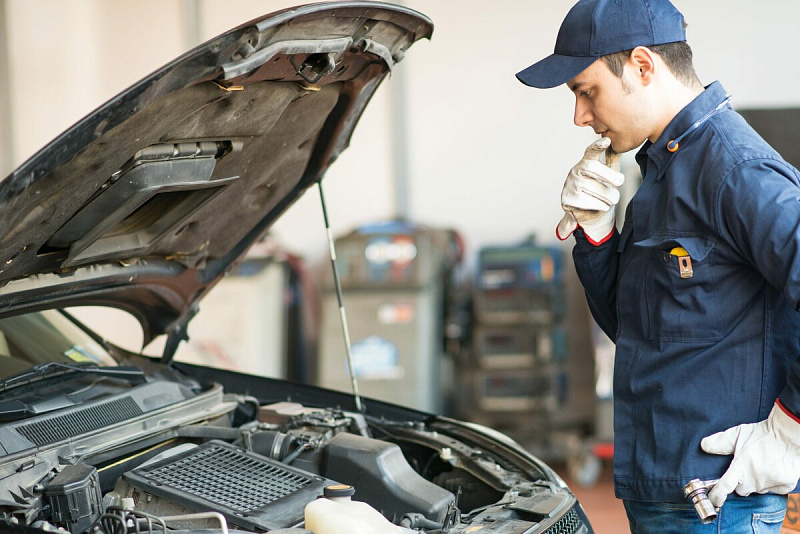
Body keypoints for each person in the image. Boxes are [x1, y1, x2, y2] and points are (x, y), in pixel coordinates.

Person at [515, 0, 800, 532]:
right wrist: (597, 235)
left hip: (722, 501)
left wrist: (790, 428)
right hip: (662, 486)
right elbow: (635, 331)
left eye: (586, 90)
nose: (579, 115)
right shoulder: (661, 172)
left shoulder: (735, 169)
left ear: (643, 67)